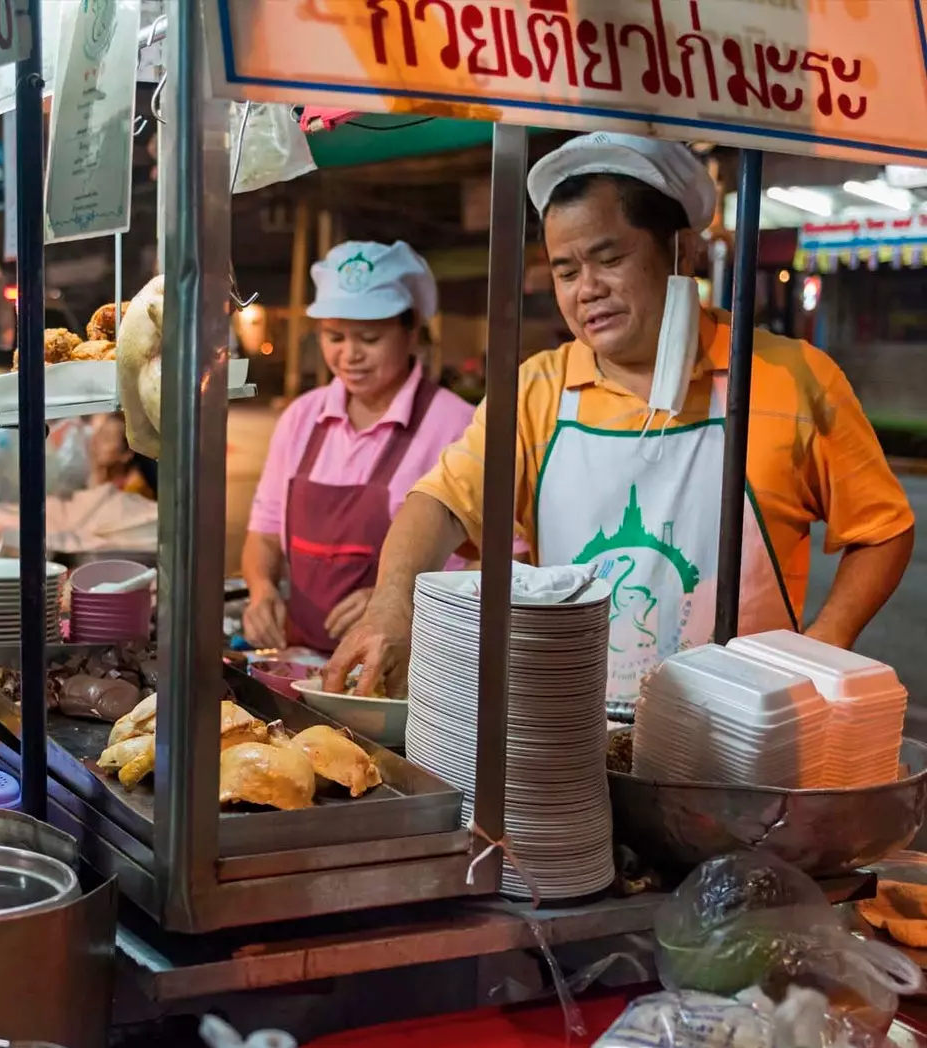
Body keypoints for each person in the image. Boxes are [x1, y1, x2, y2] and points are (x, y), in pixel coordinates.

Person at [327, 134, 915, 703]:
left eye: (610, 258)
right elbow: (441, 503)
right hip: (571, 730)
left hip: (741, 733)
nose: (588, 290)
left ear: (680, 250)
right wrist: (391, 604)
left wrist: (826, 640)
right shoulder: (538, 389)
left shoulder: (789, 377)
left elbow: (882, 529)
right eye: (565, 271)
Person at [241, 241, 477, 654]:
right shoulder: (301, 417)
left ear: (411, 332)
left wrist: (398, 601)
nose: (349, 355)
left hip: (411, 665)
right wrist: (261, 591)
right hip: (303, 664)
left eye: (369, 338)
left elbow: (505, 561)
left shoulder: (458, 425)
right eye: (334, 337)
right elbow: (263, 533)